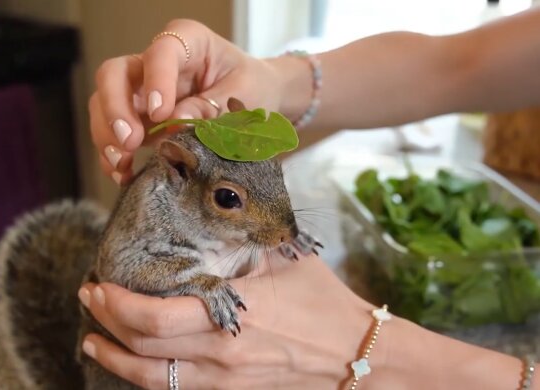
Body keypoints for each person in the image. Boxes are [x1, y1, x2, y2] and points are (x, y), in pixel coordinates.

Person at [81, 7, 540, 389]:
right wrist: (275, 80)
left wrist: (369, 351)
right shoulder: (156, 209)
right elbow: (465, 62)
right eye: (228, 198)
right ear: (180, 171)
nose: (285, 228)